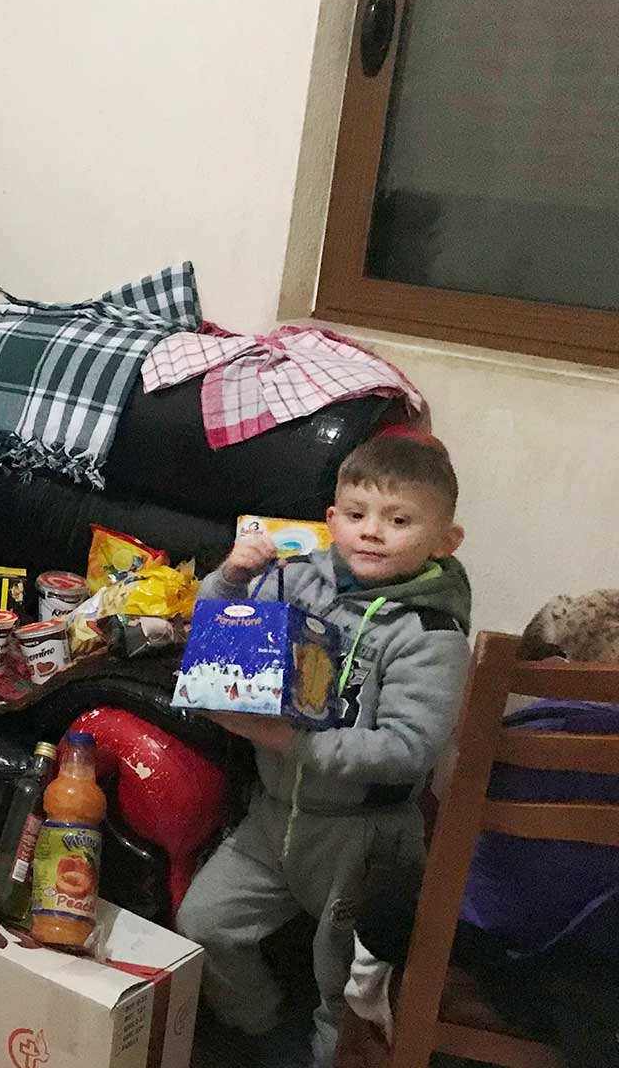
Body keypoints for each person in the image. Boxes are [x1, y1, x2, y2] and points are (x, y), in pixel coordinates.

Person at [175, 431, 472, 1067]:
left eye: (399, 521)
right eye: (358, 515)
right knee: (203, 924)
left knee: (344, 990)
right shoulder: (295, 581)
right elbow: (217, 636)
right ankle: (259, 1033)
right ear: (331, 520)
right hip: (271, 817)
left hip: (361, 839)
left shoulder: (431, 635)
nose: (373, 533)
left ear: (445, 542)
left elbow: (407, 750)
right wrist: (229, 577)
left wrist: (293, 741)